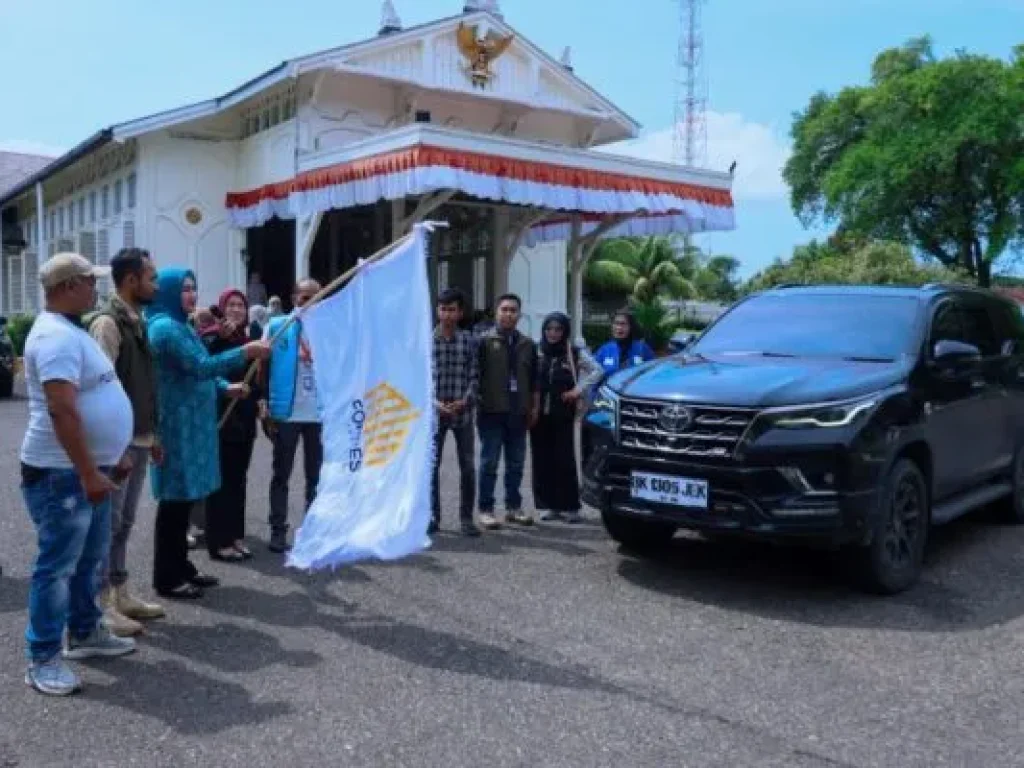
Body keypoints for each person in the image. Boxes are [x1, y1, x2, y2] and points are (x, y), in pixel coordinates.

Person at [21, 252, 137, 696]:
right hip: (63, 474)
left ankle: (85, 632)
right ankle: (43, 658)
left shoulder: (71, 330)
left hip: (87, 468)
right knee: (57, 568)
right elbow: (61, 409)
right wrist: (89, 471)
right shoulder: (54, 337)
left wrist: (113, 453)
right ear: (69, 286)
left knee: (90, 558)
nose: (97, 288)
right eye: (91, 280)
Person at [147, 268, 270, 599]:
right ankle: (168, 578)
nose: (192, 294)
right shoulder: (164, 328)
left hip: (194, 425)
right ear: (169, 292)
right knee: (174, 506)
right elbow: (200, 366)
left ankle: (182, 567)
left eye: (194, 288)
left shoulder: (183, 326)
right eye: (185, 289)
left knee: (185, 501)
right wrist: (244, 352)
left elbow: (200, 369)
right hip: (176, 426)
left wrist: (225, 387)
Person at [87, 247, 166, 637]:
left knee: (124, 522)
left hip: (138, 438)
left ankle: (120, 593)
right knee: (107, 525)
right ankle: (100, 605)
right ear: (131, 280)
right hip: (116, 444)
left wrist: (153, 434)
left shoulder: (137, 320)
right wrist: (115, 446)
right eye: (151, 277)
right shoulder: (108, 323)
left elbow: (144, 383)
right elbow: (100, 388)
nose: (156, 285)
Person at [260, 279, 324, 553]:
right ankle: (278, 530)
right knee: (281, 475)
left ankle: (312, 531)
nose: (309, 302)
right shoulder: (278, 326)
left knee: (316, 476)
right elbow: (262, 367)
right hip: (286, 413)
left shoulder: (329, 329)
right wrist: (263, 401)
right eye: (304, 297)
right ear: (294, 298)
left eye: (315, 297)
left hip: (318, 415)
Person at [204, 289, 261, 562]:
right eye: (232, 305)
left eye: (241, 305)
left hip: (244, 418)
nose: (237, 310)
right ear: (222, 308)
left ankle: (236, 536)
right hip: (222, 416)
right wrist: (219, 338)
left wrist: (259, 400)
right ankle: (219, 541)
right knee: (222, 481)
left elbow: (256, 380)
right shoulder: (212, 338)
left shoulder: (248, 342)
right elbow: (205, 369)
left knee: (239, 480)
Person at [475, 293, 539, 529]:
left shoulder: (527, 344)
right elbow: (475, 375)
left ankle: (513, 508)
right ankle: (486, 509)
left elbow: (534, 380)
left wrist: (534, 407)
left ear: (519, 315)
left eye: (513, 310)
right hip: (491, 411)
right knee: (489, 463)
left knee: (516, 464)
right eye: (504, 309)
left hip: (518, 412)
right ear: (496, 313)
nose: (509, 314)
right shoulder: (483, 342)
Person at [531, 312, 602, 523]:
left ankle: (570, 506)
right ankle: (547, 506)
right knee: (542, 459)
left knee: (564, 458)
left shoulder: (574, 352)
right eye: (549, 329)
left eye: (558, 329)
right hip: (538, 414)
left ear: (565, 332)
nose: (553, 333)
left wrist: (577, 390)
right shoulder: (537, 350)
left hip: (563, 413)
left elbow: (597, 371)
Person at [431, 288, 481, 537]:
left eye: (452, 310)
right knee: (431, 467)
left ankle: (466, 518)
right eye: (443, 309)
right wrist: (434, 403)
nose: (447, 315)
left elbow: (475, 376)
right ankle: (432, 517)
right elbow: (419, 378)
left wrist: (465, 400)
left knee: (468, 467)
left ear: (460, 313)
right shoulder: (425, 341)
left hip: (463, 413)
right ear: (437, 311)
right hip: (435, 414)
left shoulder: (470, 341)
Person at [593, 309, 656, 375]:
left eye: (623, 324)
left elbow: (653, 372)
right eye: (616, 323)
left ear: (631, 327)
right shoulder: (604, 350)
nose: (619, 327)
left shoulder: (642, 348)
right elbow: (594, 373)